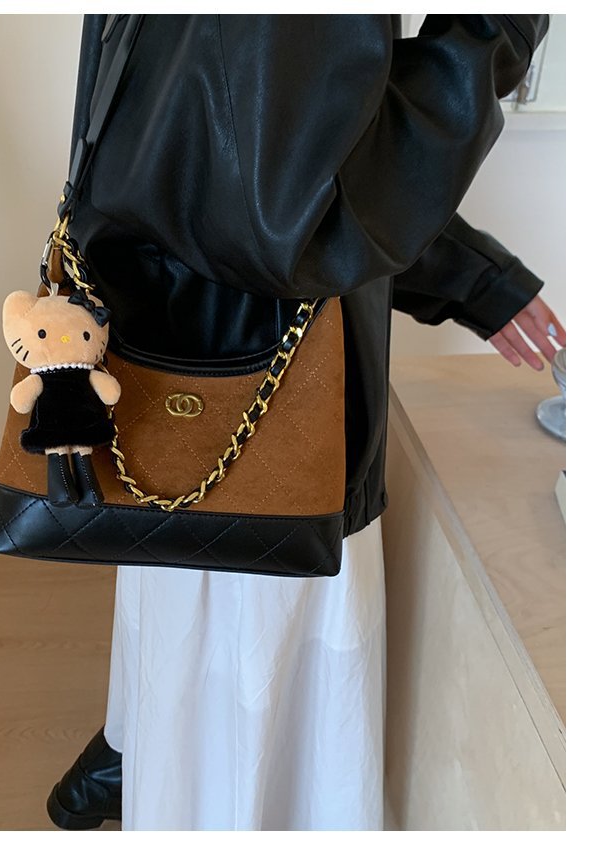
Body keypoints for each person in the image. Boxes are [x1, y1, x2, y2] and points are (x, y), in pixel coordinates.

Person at [44, 13, 563, 830]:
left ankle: (138, 751)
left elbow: (270, 158)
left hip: (179, 373)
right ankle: (163, 772)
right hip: (269, 429)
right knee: (253, 712)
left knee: (193, 656)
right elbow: (300, 217)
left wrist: (476, 279)